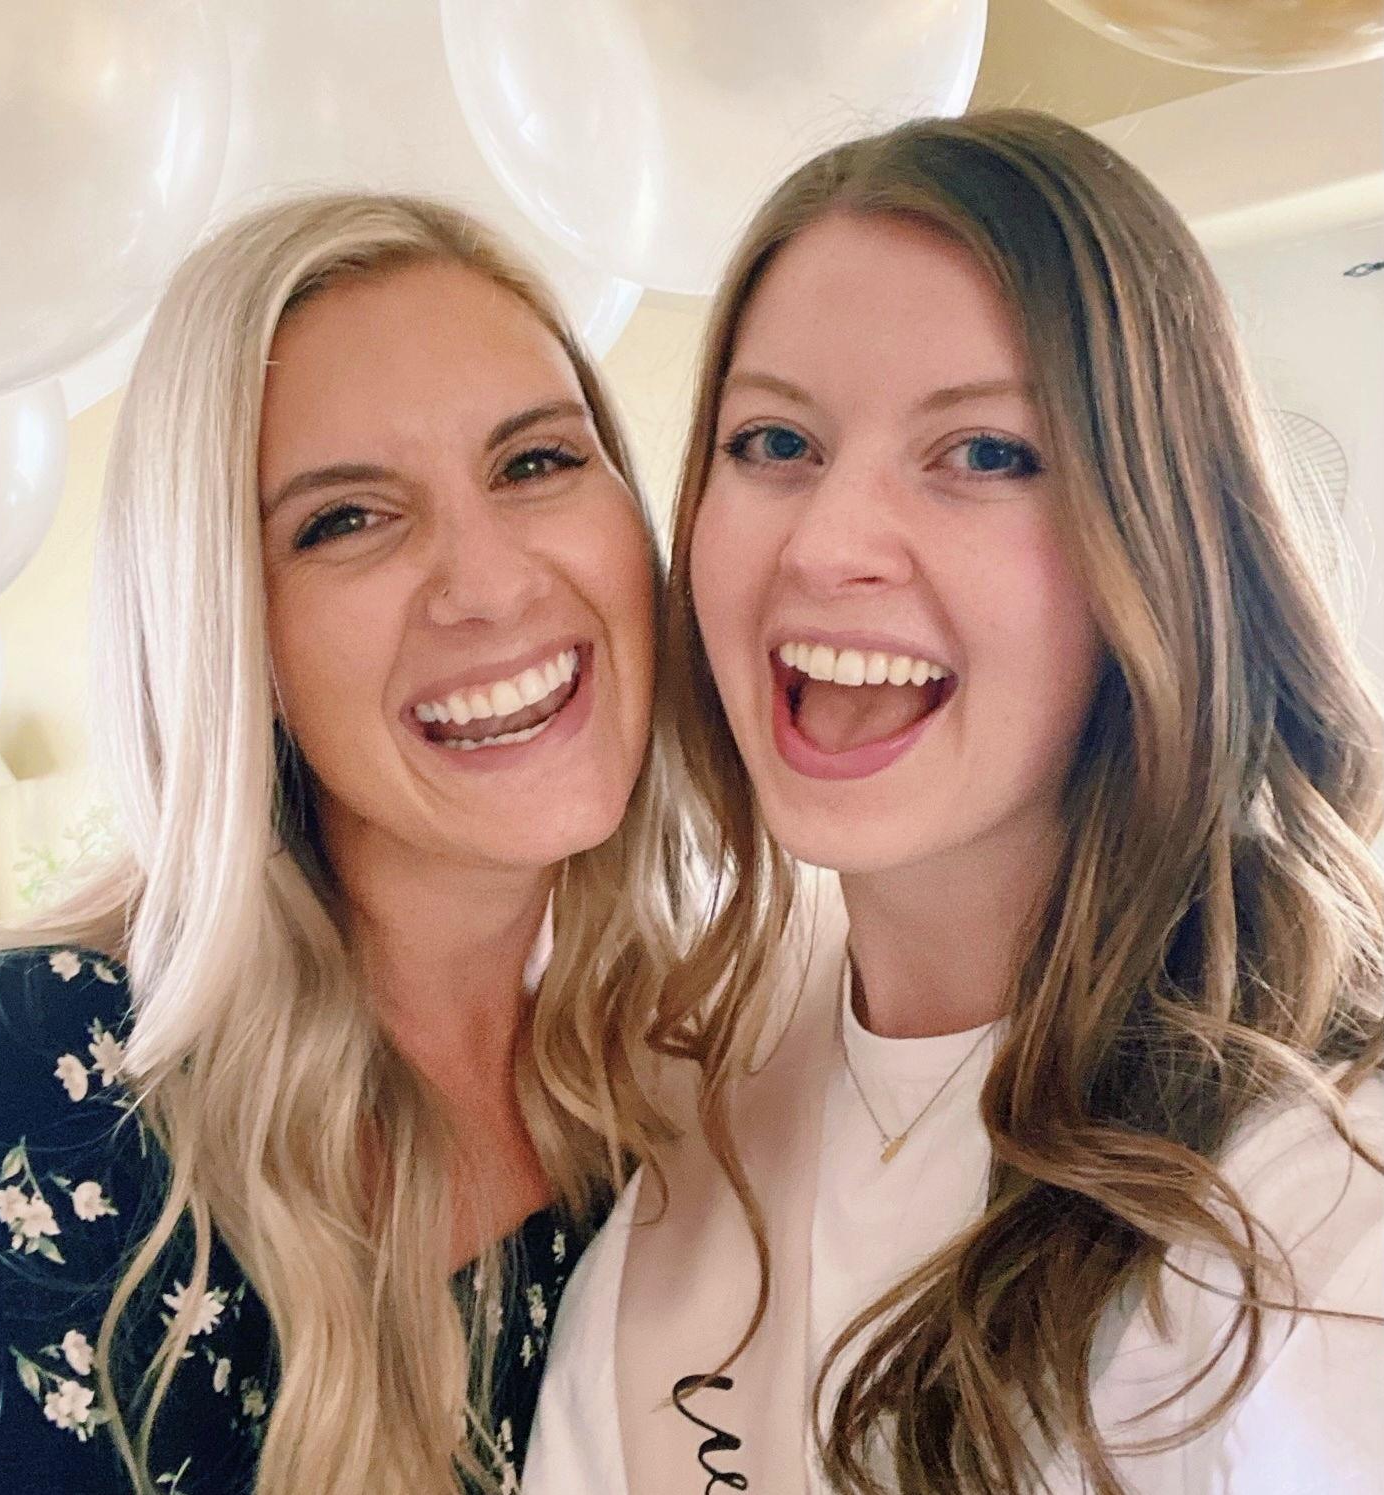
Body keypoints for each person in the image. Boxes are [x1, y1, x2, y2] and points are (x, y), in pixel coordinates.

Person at [525, 111, 1384, 1494]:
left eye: (985, 453)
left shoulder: (1322, 1201)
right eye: (775, 440)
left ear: (1164, 542)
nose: (829, 544)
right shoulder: (667, 1152)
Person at [0, 193, 677, 1495]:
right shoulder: (47, 1069)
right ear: (236, 637)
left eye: (536, 462)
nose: (492, 585)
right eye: (347, 520)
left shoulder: (674, 1069)